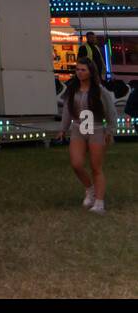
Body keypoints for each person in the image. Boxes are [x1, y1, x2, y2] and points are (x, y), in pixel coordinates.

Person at [58, 57, 114, 214]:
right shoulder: (72, 90)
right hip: (78, 129)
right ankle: (89, 189)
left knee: (96, 167)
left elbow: (111, 112)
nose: (79, 72)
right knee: (76, 164)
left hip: (96, 129)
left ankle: (99, 202)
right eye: (77, 69)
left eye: (83, 70)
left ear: (91, 72)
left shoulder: (100, 91)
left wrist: (109, 130)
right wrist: (63, 128)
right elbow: (67, 111)